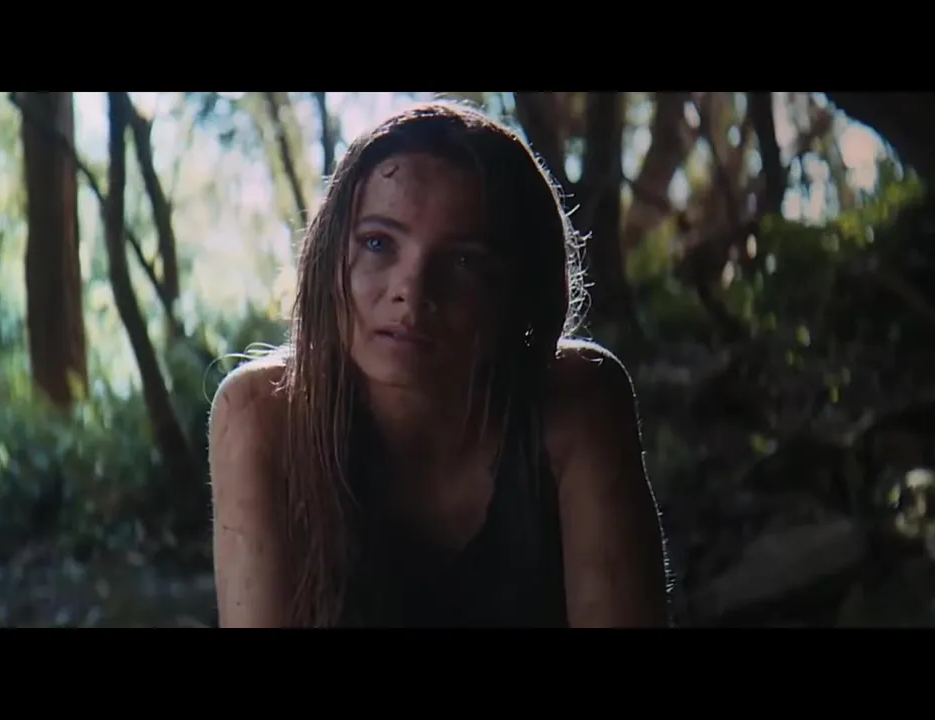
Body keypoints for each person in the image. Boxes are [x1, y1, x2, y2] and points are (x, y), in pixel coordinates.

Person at [208, 100, 670, 628]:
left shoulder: (577, 402)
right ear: (329, 254)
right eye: (378, 243)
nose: (411, 290)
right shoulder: (261, 413)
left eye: (464, 260)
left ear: (517, 288)